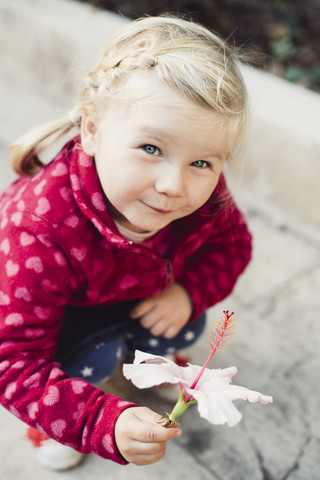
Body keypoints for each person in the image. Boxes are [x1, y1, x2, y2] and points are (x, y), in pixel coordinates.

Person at [0, 15, 252, 471]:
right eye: (151, 149)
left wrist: (187, 294)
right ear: (92, 130)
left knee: (187, 324)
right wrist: (99, 421)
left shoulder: (205, 194)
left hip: (133, 290)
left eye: (201, 161)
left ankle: (145, 360)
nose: (174, 185)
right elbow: (14, 364)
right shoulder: (39, 231)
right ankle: (50, 424)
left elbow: (232, 248)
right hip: (54, 314)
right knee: (97, 359)